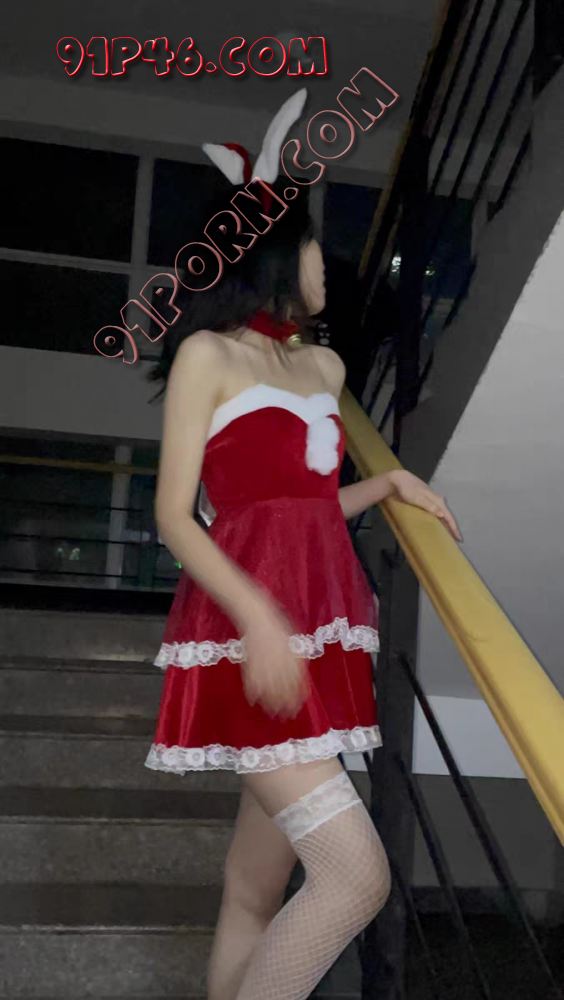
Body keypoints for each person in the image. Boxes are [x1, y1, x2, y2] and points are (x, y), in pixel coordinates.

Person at [145, 98, 461, 1000]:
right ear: (279, 252)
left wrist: (387, 484)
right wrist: (259, 620)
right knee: (356, 880)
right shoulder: (209, 356)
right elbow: (175, 517)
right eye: (318, 246)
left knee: (254, 889)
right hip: (253, 640)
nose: (330, 263)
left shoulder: (325, 369)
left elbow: (308, 510)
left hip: (317, 638)